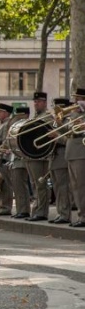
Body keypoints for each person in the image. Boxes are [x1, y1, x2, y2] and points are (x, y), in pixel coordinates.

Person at [25, 92, 51, 221]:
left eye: (39, 101)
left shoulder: (48, 116)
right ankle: (36, 210)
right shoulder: (35, 117)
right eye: (35, 101)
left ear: (45, 102)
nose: (36, 104)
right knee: (35, 184)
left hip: (41, 156)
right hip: (32, 155)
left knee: (41, 184)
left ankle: (41, 211)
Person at [65, 88, 85, 227]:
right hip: (71, 152)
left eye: (78, 98)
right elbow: (66, 133)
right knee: (75, 187)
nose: (75, 101)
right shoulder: (73, 114)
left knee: (81, 186)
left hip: (81, 152)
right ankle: (81, 214)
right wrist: (59, 122)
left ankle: (83, 216)